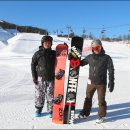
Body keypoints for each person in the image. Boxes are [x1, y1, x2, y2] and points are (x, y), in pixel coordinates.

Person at [78, 39, 114, 123]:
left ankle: (101, 116)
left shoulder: (106, 58)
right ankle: (85, 113)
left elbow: (111, 70)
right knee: (87, 98)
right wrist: (73, 58)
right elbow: (81, 63)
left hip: (101, 83)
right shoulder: (90, 57)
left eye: (97, 47)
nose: (96, 49)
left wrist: (111, 81)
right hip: (90, 82)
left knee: (101, 100)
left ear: (101, 47)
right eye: (94, 48)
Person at [31, 35, 56, 117]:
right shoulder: (38, 54)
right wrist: (34, 76)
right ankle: (38, 109)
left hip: (51, 78)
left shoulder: (54, 53)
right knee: (39, 95)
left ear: (51, 44)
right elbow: (33, 64)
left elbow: (63, 56)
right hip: (40, 79)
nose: (47, 44)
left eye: (49, 43)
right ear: (42, 44)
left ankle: (50, 111)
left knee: (50, 95)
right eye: (45, 43)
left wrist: (64, 49)